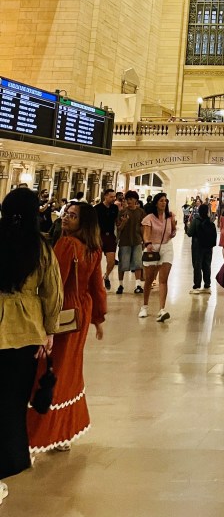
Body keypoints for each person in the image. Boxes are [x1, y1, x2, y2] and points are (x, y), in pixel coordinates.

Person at [27, 201, 106, 454]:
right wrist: (98, 317)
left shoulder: (67, 244)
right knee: (70, 370)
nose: (65, 219)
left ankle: (41, 433)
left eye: (72, 216)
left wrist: (42, 318)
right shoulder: (94, 249)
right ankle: (64, 434)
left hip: (61, 313)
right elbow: (97, 286)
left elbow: (55, 284)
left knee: (48, 369)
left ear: (84, 222)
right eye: (66, 214)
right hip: (81, 313)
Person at [0, 189, 63, 505]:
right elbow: (52, 291)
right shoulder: (39, 246)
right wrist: (48, 331)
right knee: (11, 404)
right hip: (25, 332)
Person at [139, 193, 177, 321]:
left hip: (166, 247)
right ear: (156, 203)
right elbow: (146, 234)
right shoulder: (149, 218)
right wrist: (148, 244)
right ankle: (144, 306)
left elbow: (173, 232)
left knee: (163, 279)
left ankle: (162, 309)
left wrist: (174, 228)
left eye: (165, 201)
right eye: (161, 201)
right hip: (152, 248)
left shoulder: (169, 217)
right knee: (149, 279)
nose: (164, 203)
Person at [115, 190, 145, 295]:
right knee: (123, 263)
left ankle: (138, 285)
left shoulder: (141, 212)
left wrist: (144, 240)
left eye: (131, 199)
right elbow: (119, 228)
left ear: (136, 200)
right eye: (127, 199)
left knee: (138, 263)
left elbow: (143, 227)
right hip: (124, 241)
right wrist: (123, 222)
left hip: (137, 241)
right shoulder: (122, 212)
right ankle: (120, 285)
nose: (129, 201)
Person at [187, 204, 217, 292]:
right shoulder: (210, 221)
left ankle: (197, 284)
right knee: (207, 264)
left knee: (197, 264)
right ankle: (207, 283)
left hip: (198, 246)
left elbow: (189, 233)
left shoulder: (196, 220)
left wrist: (189, 226)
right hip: (208, 246)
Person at [94, 188, 118, 290]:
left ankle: (106, 276)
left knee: (111, 261)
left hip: (110, 236)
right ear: (105, 196)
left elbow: (117, 222)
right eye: (111, 196)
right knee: (96, 260)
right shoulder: (97, 208)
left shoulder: (115, 208)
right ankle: (95, 280)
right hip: (99, 236)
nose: (113, 198)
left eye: (114, 196)